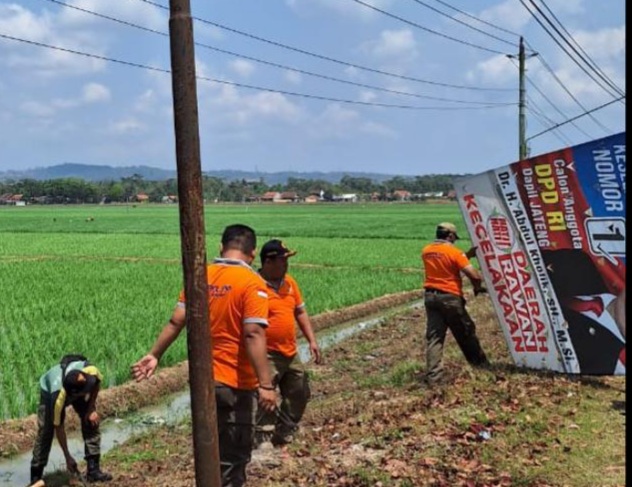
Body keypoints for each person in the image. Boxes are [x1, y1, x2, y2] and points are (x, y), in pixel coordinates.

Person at [131, 223, 277, 487]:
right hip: (235, 385)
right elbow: (253, 333)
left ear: (221, 247)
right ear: (253, 253)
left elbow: (176, 321)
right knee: (233, 461)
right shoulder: (253, 283)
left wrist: (154, 355)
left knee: (209, 452)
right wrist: (266, 384)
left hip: (203, 382)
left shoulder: (201, 277)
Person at [255, 239, 322, 448]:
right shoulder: (254, 285)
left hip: (290, 351)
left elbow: (300, 311)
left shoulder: (290, 283)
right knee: (266, 396)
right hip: (266, 353)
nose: (286, 265)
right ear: (268, 262)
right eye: (283, 260)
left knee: (300, 390)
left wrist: (311, 340)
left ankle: (284, 430)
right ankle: (263, 437)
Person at [421, 222, 489, 385]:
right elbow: (474, 276)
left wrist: (467, 255)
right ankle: (481, 366)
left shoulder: (427, 251)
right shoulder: (454, 252)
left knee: (435, 337)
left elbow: (446, 263)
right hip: (450, 298)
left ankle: (434, 378)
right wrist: (477, 288)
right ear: (450, 236)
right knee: (465, 331)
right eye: (454, 238)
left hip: (430, 297)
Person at [30, 356, 112, 484]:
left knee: (91, 420)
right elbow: (59, 427)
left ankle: (93, 470)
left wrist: (91, 409)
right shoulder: (58, 397)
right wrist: (67, 456)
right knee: (46, 432)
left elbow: (96, 384)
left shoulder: (90, 371)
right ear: (74, 395)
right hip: (49, 391)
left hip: (76, 388)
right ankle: (36, 477)